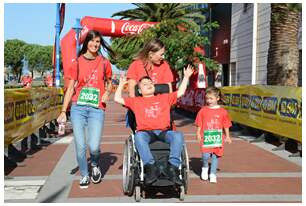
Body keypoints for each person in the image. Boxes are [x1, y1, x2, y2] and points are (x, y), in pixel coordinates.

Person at [114, 65, 194, 185]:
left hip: (164, 132)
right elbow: (117, 98)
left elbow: (181, 92)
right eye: (145, 84)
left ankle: (172, 167)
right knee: (138, 137)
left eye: (150, 82)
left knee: (178, 136)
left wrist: (186, 76)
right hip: (146, 133)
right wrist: (121, 84)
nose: (149, 84)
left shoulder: (164, 98)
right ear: (139, 91)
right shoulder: (136, 101)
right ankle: (150, 167)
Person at [57, 30, 114, 189]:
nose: (95, 44)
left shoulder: (104, 62)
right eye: (92, 41)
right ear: (86, 43)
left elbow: (110, 82)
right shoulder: (76, 62)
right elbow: (70, 89)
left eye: (97, 42)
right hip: (78, 108)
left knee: (94, 146)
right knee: (80, 145)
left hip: (97, 109)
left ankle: (95, 163)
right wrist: (63, 111)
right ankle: (84, 174)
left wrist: (107, 93)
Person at [195, 87, 232, 183]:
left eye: (211, 98)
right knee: (205, 155)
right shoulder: (203, 110)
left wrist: (227, 136)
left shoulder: (223, 111)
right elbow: (199, 122)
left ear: (217, 98)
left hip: (217, 137)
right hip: (206, 136)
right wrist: (198, 133)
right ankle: (205, 167)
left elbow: (226, 124)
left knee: (215, 156)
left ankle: (212, 174)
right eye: (207, 98)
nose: (209, 101)